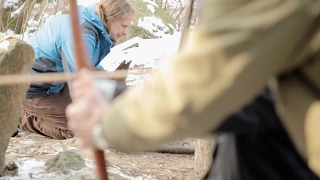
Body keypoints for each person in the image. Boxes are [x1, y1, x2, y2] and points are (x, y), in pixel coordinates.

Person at [66, 0, 320, 179]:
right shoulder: (86, 30)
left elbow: (212, 78)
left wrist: (107, 120)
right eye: (123, 26)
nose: (124, 32)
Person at [18, 0, 135, 140]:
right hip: (33, 90)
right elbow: (79, 80)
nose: (125, 32)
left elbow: (87, 65)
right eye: (123, 26)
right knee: (81, 131)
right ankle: (18, 117)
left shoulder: (93, 23)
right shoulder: (81, 34)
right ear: (111, 18)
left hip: (56, 81)